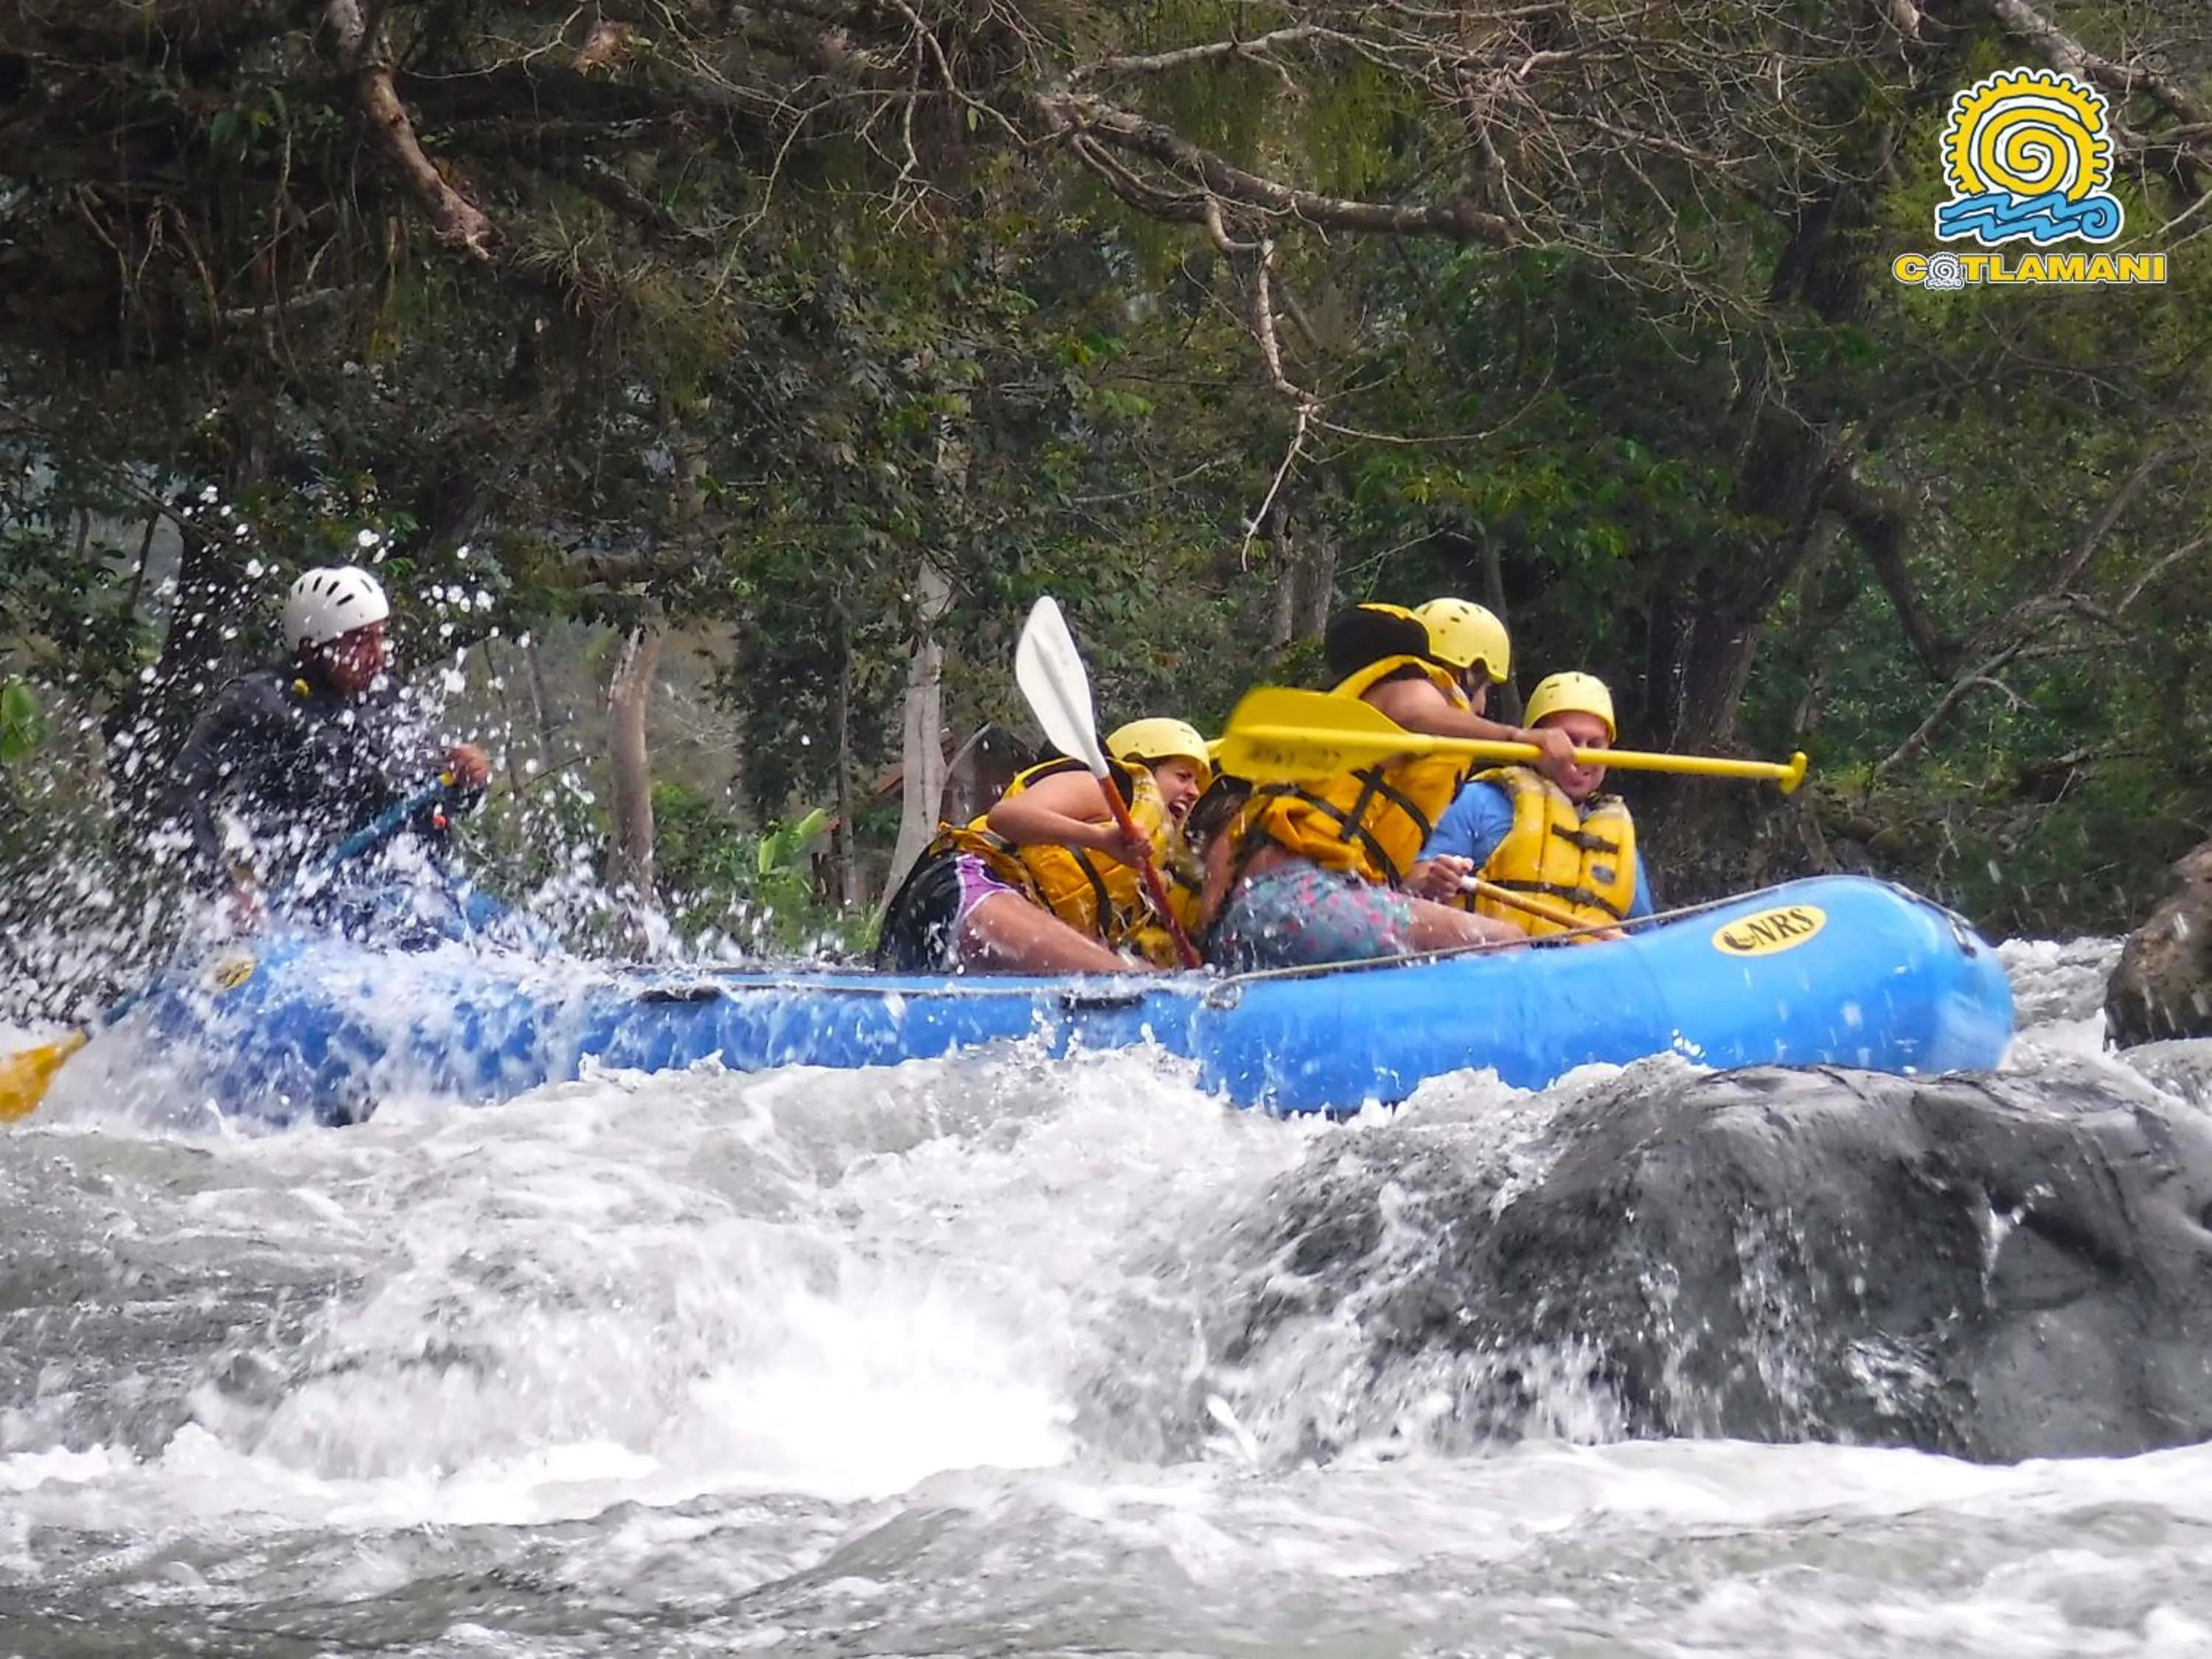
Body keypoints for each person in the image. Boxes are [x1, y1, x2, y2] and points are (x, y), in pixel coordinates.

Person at [1203, 602, 1571, 970]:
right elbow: (1415, 712)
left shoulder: (1353, 732)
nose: (1483, 703)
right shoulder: (1413, 683)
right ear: (1469, 671)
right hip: (1302, 903)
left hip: (1251, 917)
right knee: (1504, 941)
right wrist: (1518, 737)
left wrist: (1420, 883)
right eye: (1486, 689)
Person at [158, 565, 493, 937]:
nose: (377, 656)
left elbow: (437, 798)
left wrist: (469, 779)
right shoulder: (259, 702)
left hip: (414, 887)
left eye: (380, 638)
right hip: (319, 897)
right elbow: (182, 794)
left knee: (512, 936)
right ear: (312, 646)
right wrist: (220, 888)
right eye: (360, 641)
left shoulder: (387, 697)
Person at [874, 717, 1211, 974]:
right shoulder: (1107, 788)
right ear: (1144, 764)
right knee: (1120, 976)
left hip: (956, 935)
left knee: (1123, 972)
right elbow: (1006, 817)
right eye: (1183, 776)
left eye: (1197, 783)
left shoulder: (1156, 870)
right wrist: (1100, 838)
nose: (1194, 792)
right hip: (962, 883)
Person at [1419, 670, 1654, 938]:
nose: (1581, 754)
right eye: (1570, 740)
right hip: (1491, 968)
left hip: (1584, 974)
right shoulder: (1479, 801)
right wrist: (1435, 881)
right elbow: (1409, 887)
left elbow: (1647, 938)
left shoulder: (1619, 841)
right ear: (1536, 740)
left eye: (1595, 743)